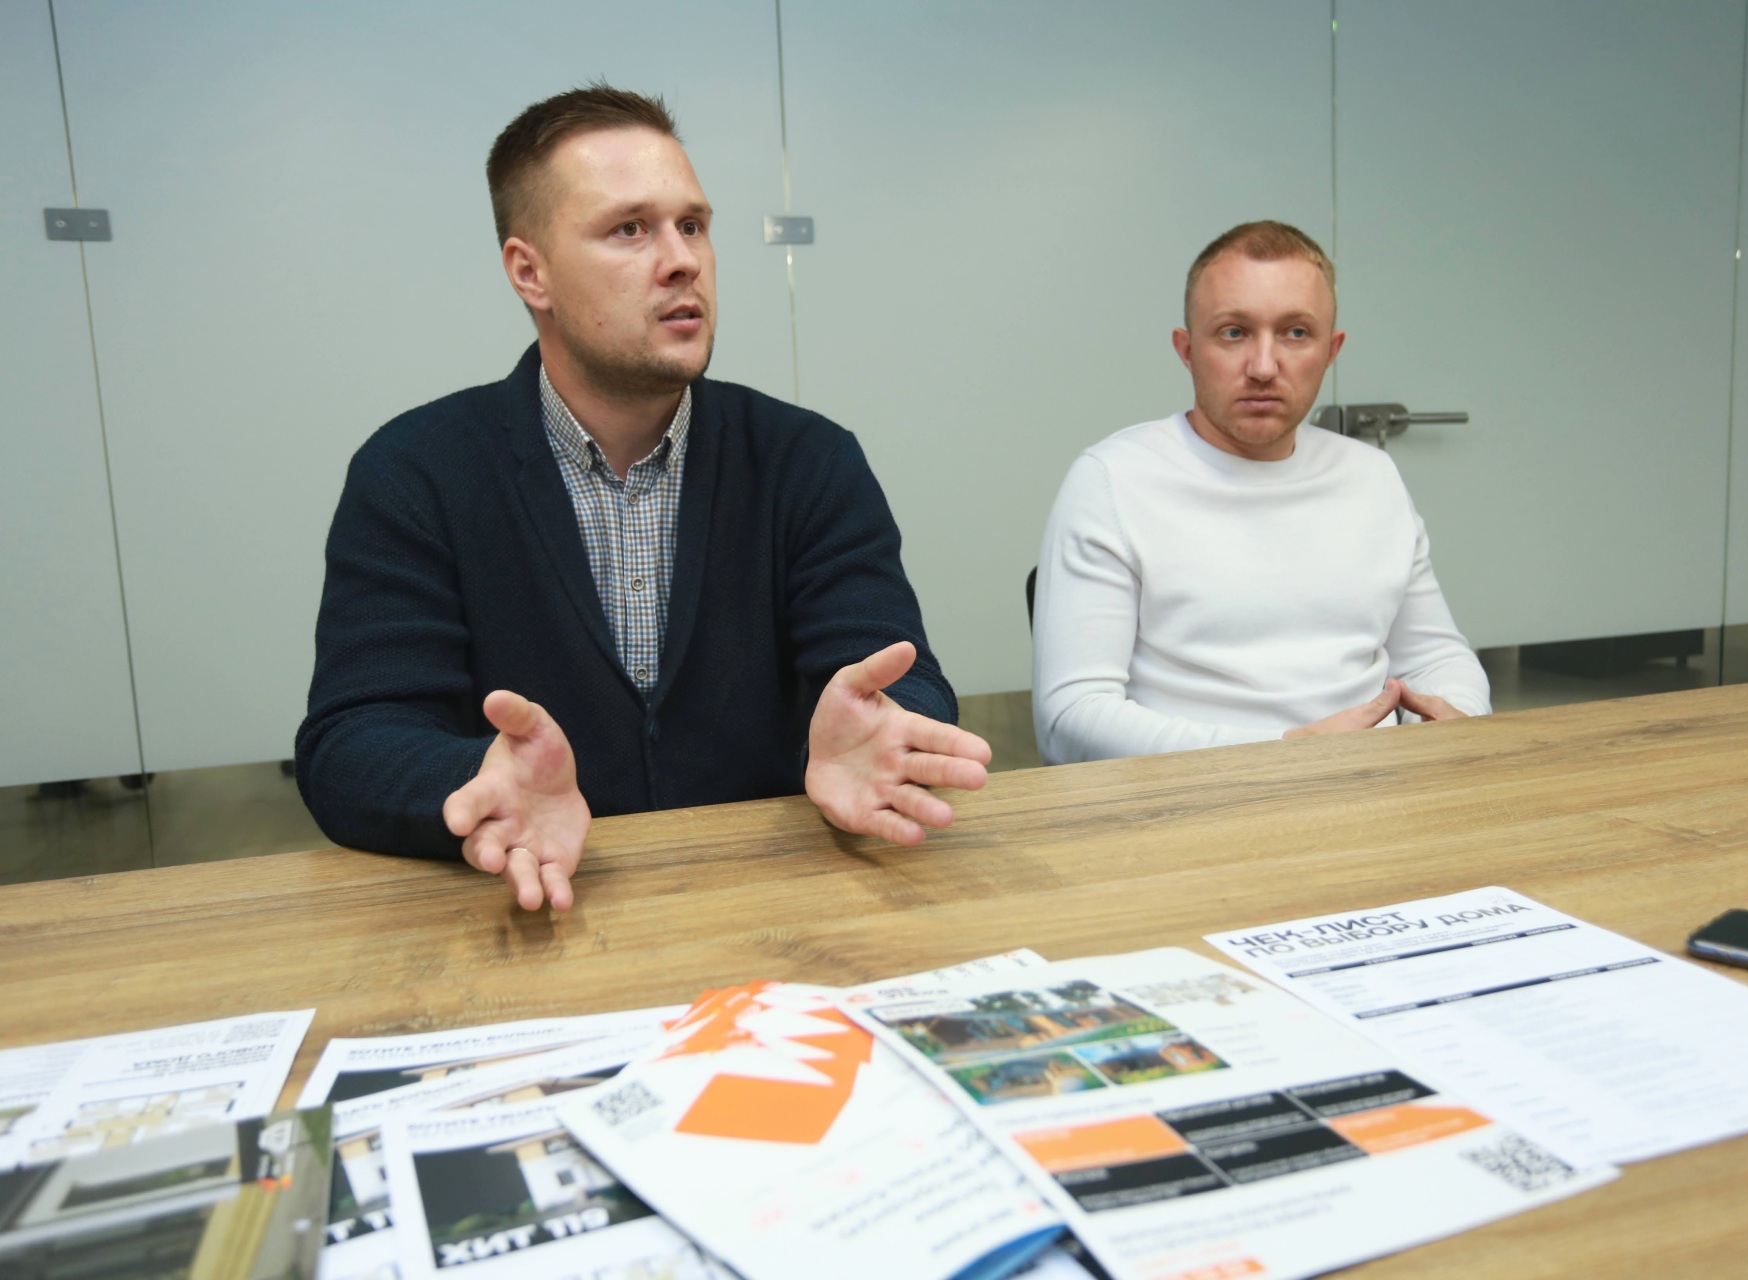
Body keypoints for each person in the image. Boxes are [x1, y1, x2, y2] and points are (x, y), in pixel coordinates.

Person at [297, 85, 990, 910]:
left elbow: (892, 675)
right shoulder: (416, 471)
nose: (682, 260)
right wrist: (475, 776)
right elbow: (353, 740)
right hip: (531, 908)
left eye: (692, 225)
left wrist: (883, 726)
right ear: (530, 272)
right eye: (630, 229)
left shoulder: (806, 460)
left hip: (777, 907)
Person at [1031, 220, 1489, 764]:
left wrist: (1455, 722)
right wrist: (1284, 754)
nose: (1264, 367)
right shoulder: (1112, 481)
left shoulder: (1372, 476)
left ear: (1331, 351)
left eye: (1295, 333)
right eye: (1234, 332)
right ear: (1187, 349)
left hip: (1374, 785)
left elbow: (1436, 657)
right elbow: (1070, 718)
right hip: (1201, 798)